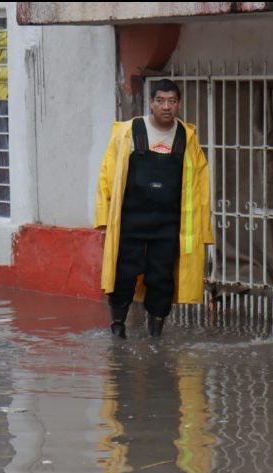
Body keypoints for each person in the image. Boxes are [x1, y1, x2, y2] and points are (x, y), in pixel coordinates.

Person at [94, 79, 214, 339]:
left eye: (172, 101)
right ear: (151, 102)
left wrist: (202, 228)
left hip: (168, 223)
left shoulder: (187, 137)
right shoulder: (128, 131)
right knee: (123, 273)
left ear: (179, 104)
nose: (166, 107)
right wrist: (104, 219)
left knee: (161, 278)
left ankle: (155, 334)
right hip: (130, 219)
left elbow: (200, 186)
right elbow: (107, 173)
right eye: (160, 100)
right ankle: (117, 327)